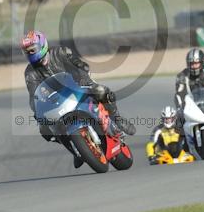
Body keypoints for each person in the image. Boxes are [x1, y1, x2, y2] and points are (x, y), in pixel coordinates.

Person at [20, 30, 136, 168]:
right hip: (56, 101)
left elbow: (76, 62)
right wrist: (36, 110)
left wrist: (82, 68)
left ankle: (117, 119)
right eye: (26, 51)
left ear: (42, 45)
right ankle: (75, 146)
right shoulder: (30, 73)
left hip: (78, 84)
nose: (30, 54)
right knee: (44, 130)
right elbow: (33, 95)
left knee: (102, 92)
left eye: (32, 50)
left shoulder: (60, 52)